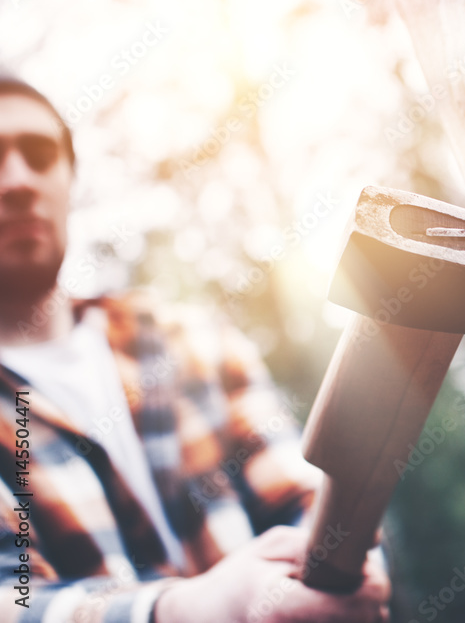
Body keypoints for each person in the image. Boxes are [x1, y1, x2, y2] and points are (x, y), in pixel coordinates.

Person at [0, 75, 390, 622]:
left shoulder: (191, 339)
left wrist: (339, 572)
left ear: (68, 178)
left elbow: (301, 499)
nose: (17, 180)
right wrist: (182, 610)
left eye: (39, 155)